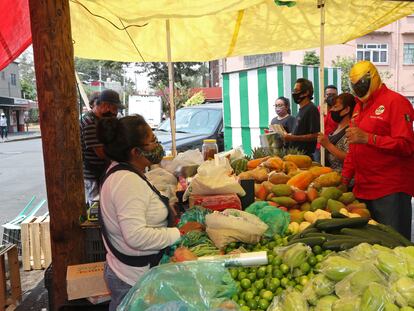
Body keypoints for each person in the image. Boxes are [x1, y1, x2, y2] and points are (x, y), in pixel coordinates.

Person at [97, 115, 202, 310]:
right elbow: (135, 236)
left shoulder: (127, 172)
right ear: (135, 151)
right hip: (133, 279)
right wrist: (179, 233)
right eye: (152, 141)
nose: (157, 145)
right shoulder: (126, 182)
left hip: (131, 273)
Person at [342, 60, 414, 239]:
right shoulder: (359, 107)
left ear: (373, 78)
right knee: (370, 246)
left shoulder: (396, 102)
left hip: (389, 189)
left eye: (362, 85)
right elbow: (354, 147)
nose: (359, 90)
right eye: (355, 86)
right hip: (363, 188)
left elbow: (406, 145)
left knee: (394, 245)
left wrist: (369, 138)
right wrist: (344, 179)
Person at [80, 89, 124, 205]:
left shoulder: (99, 120)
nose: (115, 113)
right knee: (96, 204)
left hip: (101, 171)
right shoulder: (90, 122)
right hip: (92, 174)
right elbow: (100, 152)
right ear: (105, 106)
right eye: (114, 109)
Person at [317, 93, 356, 171]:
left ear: (346, 110)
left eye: (335, 107)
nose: (331, 110)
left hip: (343, 178)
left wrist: (327, 145)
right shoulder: (336, 129)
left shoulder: (351, 131)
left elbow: (349, 158)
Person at [284, 78, 320, 158]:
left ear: (306, 92)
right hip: (296, 155)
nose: (294, 93)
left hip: (304, 156)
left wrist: (293, 137)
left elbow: (315, 135)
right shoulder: (301, 110)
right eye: (294, 90)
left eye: (296, 90)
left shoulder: (311, 109)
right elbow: (301, 132)